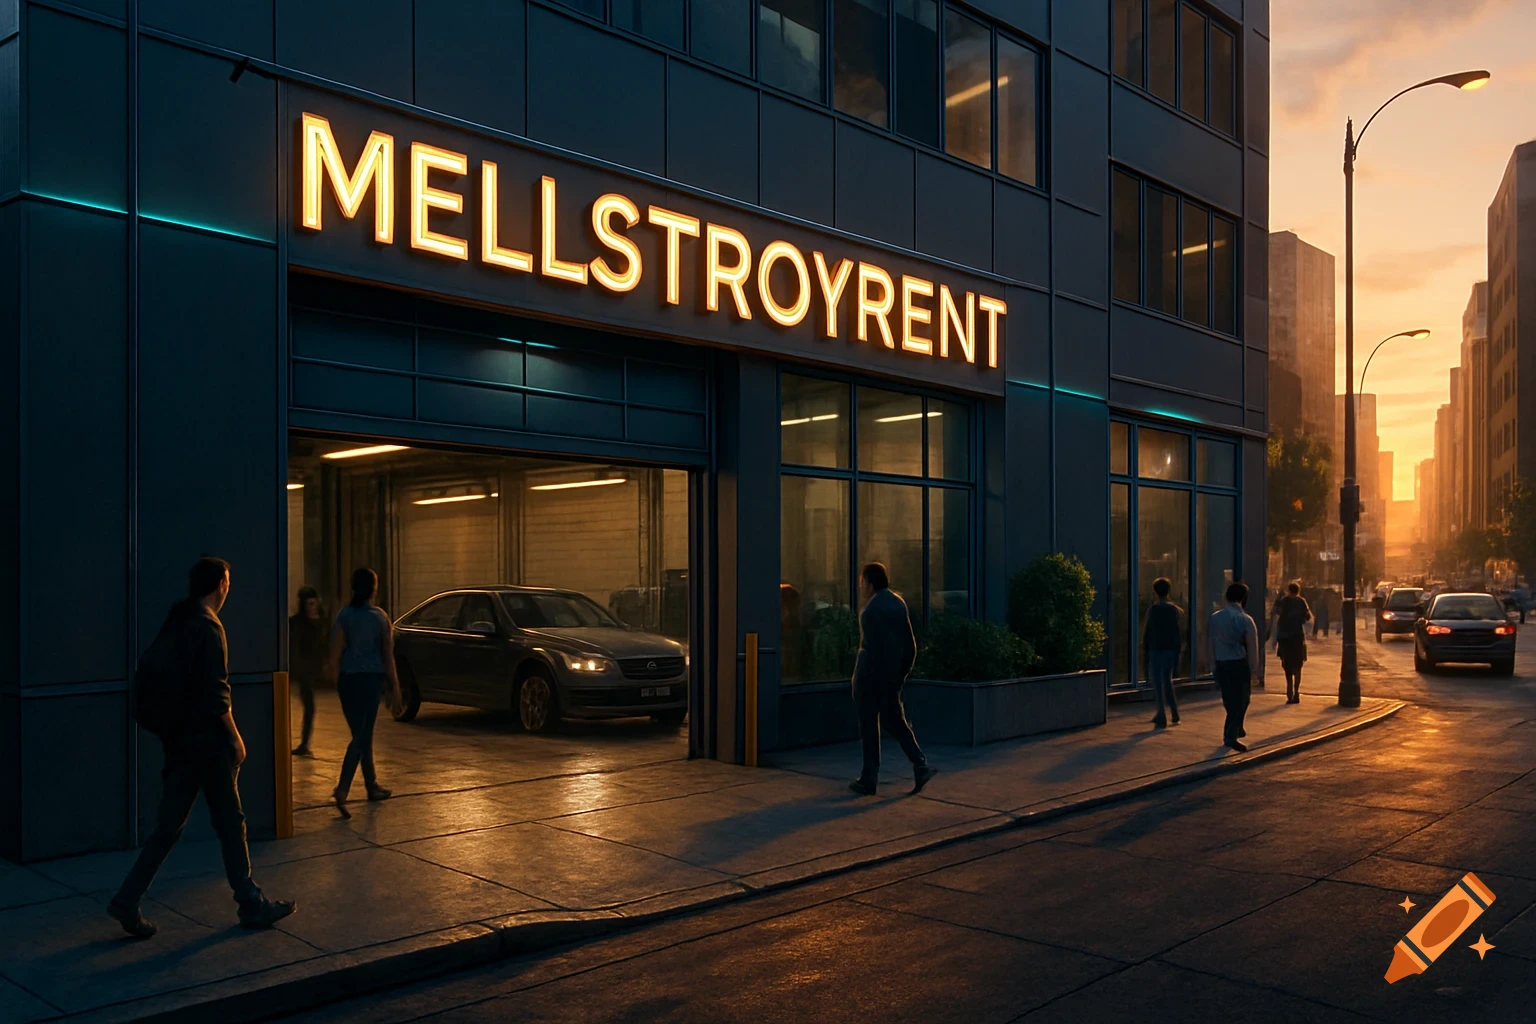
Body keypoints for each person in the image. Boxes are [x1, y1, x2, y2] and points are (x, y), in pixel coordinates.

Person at [109, 558, 296, 938]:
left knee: (168, 827)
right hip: (208, 743)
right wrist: (235, 737)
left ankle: (127, 900)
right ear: (220, 584)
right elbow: (215, 692)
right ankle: (251, 904)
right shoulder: (209, 626)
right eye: (229, 581)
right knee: (231, 823)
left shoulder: (178, 620)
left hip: (179, 742)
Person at [849, 562, 936, 797]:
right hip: (891, 678)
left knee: (869, 727)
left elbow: (871, 650)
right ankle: (920, 764)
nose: (861, 587)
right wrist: (901, 675)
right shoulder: (898, 604)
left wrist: (861, 680)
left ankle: (869, 778)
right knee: (896, 722)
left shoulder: (870, 612)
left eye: (862, 582)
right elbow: (910, 645)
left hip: (870, 679)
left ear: (869, 582)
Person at [329, 568, 402, 818]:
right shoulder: (380, 618)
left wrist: (336, 679)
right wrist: (395, 686)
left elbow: (335, 653)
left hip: (348, 682)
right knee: (361, 736)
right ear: (373, 589)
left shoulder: (344, 615)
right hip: (370, 682)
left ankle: (372, 786)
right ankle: (342, 789)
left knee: (361, 735)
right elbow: (388, 657)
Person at [1205, 582, 1259, 753]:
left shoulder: (1215, 618)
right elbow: (1252, 646)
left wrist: (1212, 664)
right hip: (1239, 663)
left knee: (1230, 700)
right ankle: (1231, 734)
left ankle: (1235, 729)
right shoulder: (1245, 619)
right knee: (1242, 699)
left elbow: (1210, 642)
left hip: (1221, 663)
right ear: (1244, 599)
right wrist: (1253, 669)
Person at [289, 586, 331, 757]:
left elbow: (326, 644)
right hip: (305, 670)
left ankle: (305, 743)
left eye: (313, 603)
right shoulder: (297, 623)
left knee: (310, 707)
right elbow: (295, 647)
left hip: (317, 666)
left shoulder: (322, 622)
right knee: (309, 706)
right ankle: (304, 743)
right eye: (308, 604)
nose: (310, 607)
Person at [1141, 577, 1182, 728]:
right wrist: (1178, 651)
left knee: (1157, 682)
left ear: (1155, 592)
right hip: (1170, 649)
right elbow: (1177, 632)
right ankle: (1174, 712)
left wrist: (1145, 648)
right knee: (1167, 680)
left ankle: (1161, 714)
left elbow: (1148, 631)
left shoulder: (1154, 609)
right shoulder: (1174, 610)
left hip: (1156, 648)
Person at [1269, 582, 1311, 704]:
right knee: (1298, 666)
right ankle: (1297, 692)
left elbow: (1277, 612)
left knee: (1287, 665)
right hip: (1298, 637)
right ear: (1298, 590)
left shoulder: (1284, 600)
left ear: (1288, 590)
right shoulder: (1302, 601)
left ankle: (1289, 692)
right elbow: (1307, 617)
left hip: (1285, 637)